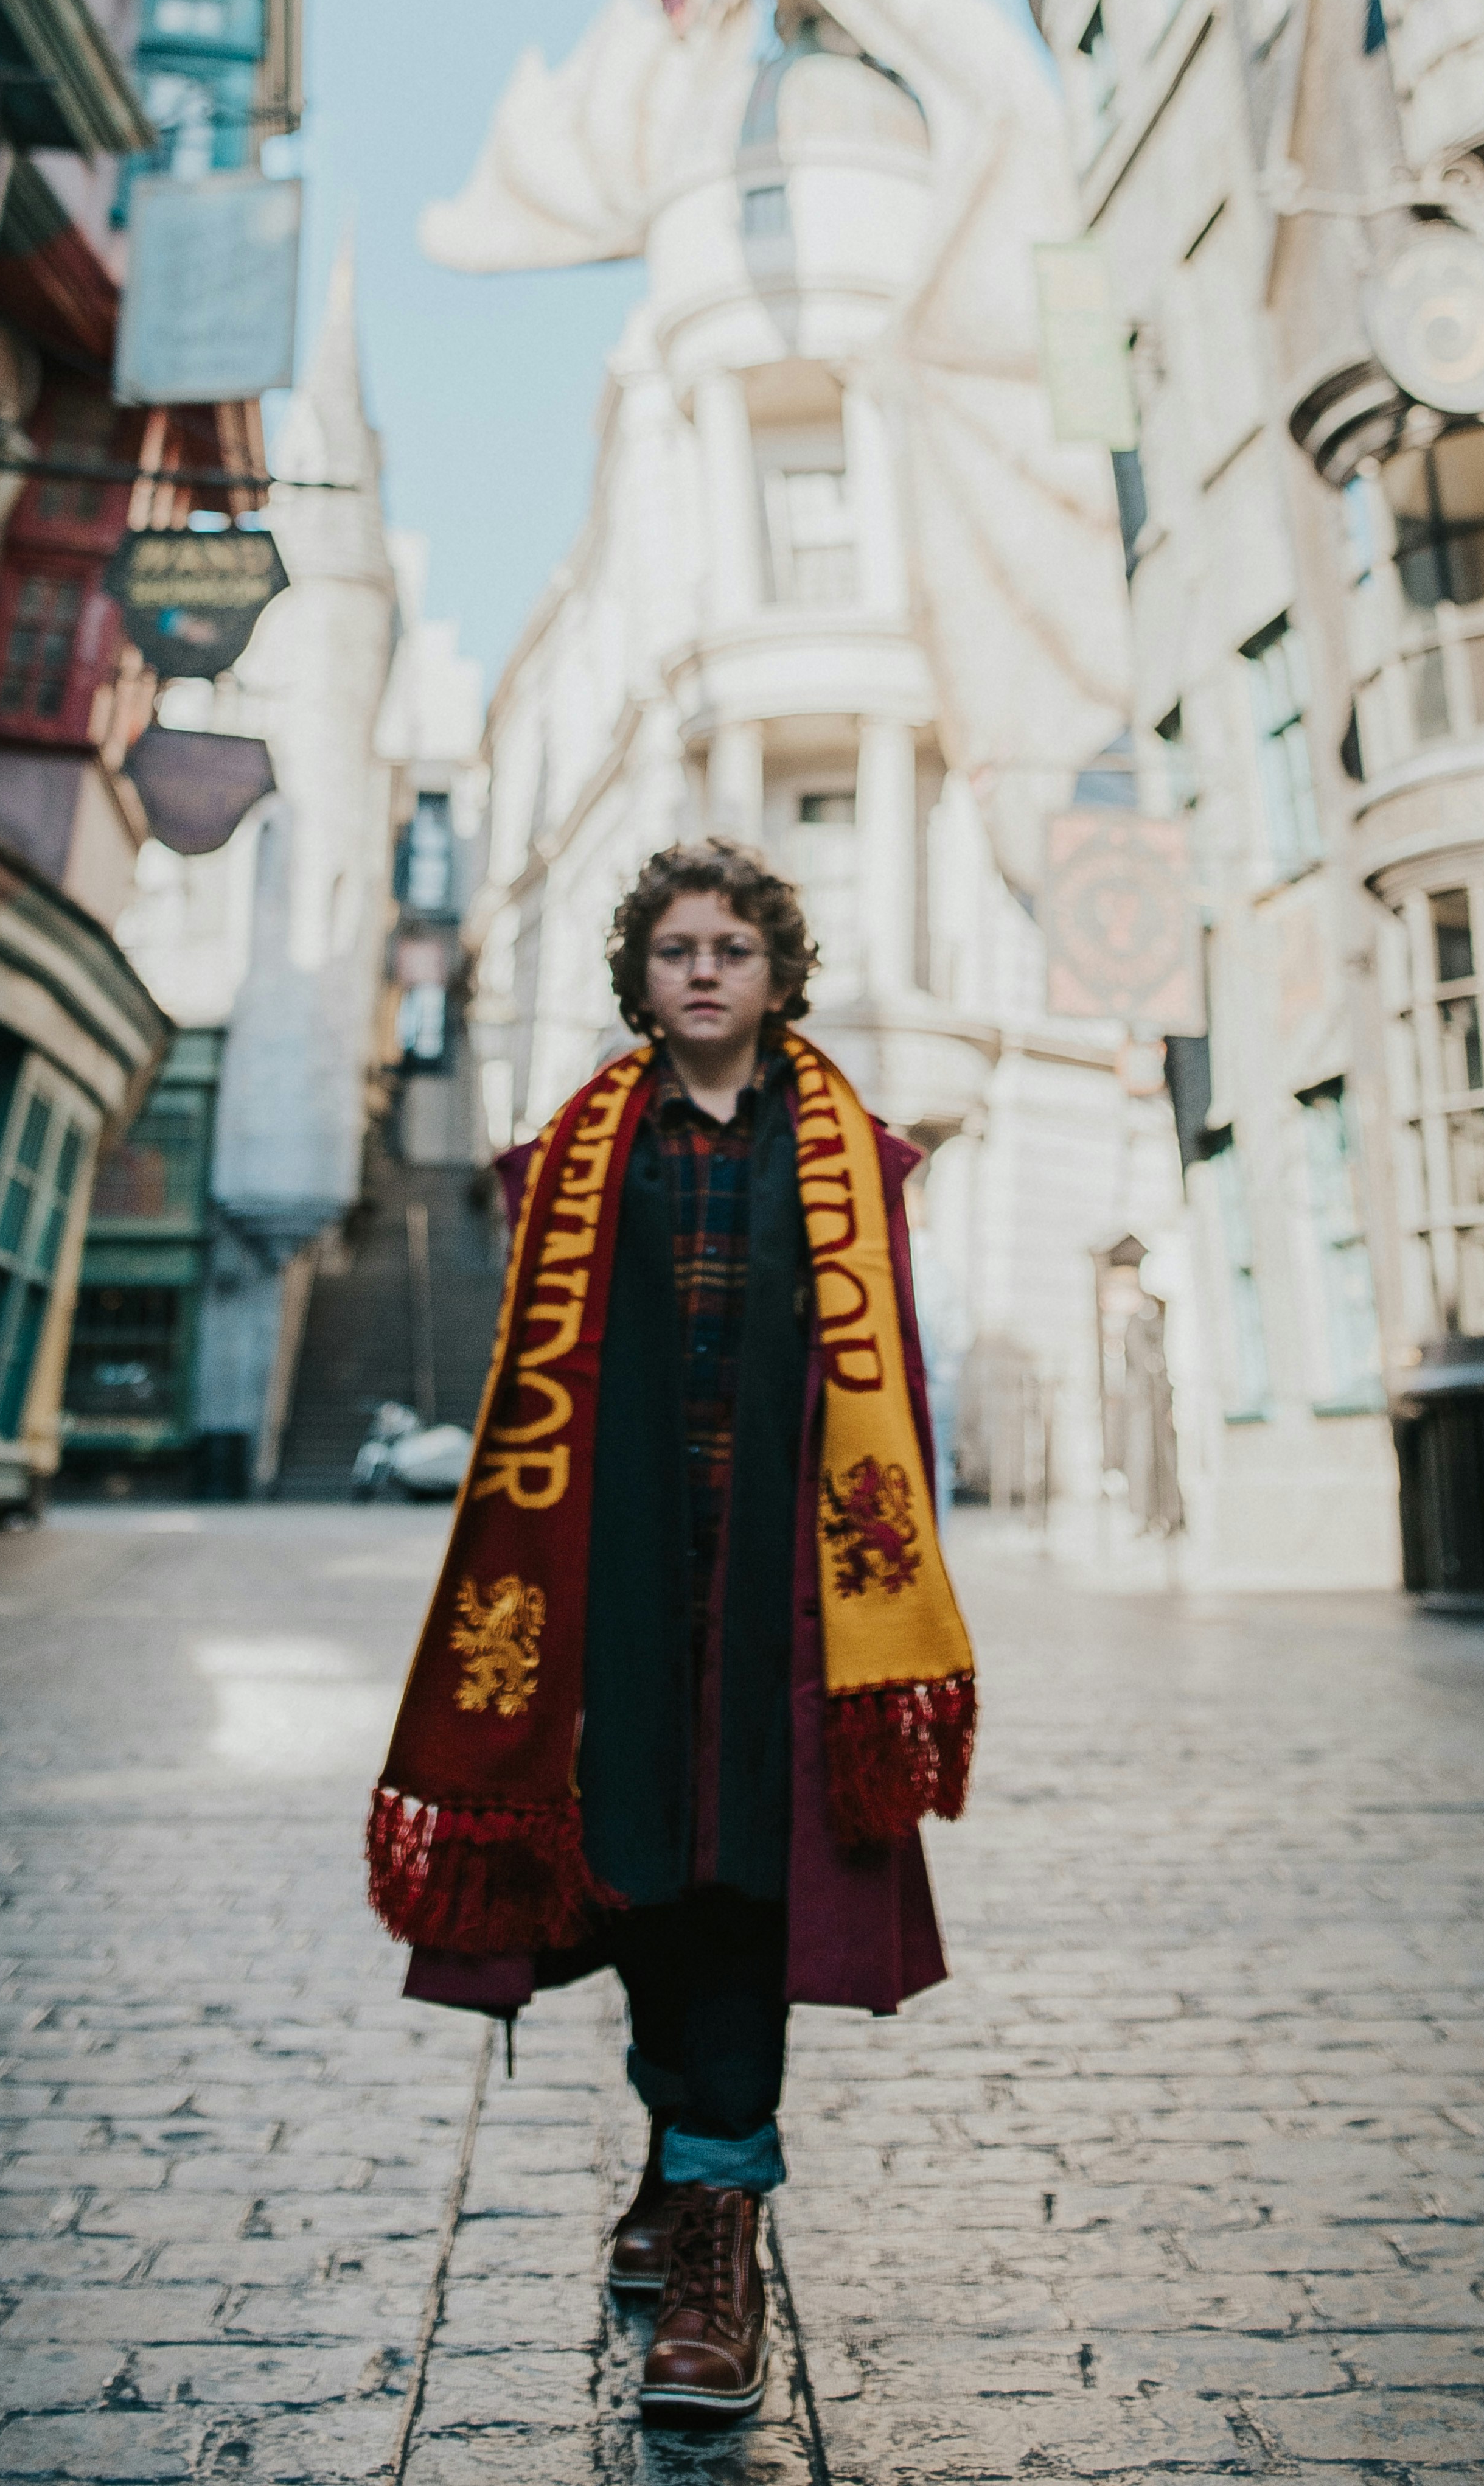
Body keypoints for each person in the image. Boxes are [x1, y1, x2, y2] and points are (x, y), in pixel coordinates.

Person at [367, 839, 976, 2425]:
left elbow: (889, 1391)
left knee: (751, 1882)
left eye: (733, 949)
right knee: (641, 1870)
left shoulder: (849, 1155)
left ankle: (717, 2224)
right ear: (640, 978)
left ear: (779, 977)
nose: (703, 971)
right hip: (622, 1574)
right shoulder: (580, 1155)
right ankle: (676, 2145)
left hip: (786, 1586)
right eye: (675, 950)